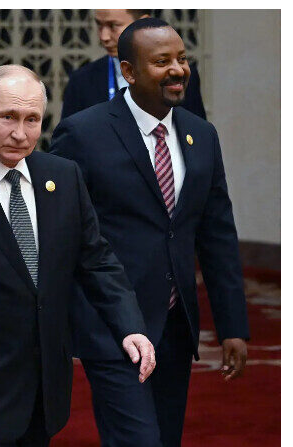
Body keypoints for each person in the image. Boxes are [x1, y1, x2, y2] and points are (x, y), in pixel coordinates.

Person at [0, 64, 157, 447]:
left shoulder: (64, 177)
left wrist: (130, 326)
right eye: (7, 117)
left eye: (32, 119)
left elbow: (96, 261)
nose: (20, 133)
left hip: (46, 388)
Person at [51, 18, 249, 447]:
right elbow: (59, 231)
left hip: (176, 326)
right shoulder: (83, 133)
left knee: (165, 437)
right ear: (129, 71)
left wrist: (233, 325)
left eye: (181, 58)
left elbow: (216, 233)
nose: (178, 69)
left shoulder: (201, 135)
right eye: (162, 61)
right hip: (112, 326)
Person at [61, 9, 206, 121]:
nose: (104, 37)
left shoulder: (178, 76)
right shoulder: (82, 80)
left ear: (143, 22)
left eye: (113, 26)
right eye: (99, 25)